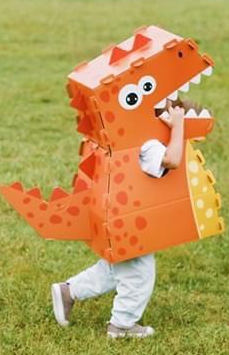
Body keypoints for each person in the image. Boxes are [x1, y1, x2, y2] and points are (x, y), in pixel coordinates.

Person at [51, 106, 186, 339]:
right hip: (130, 220)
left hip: (112, 213)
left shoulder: (118, 133)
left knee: (114, 268)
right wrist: (179, 126)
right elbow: (172, 160)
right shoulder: (148, 142)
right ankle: (122, 325)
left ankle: (68, 291)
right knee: (140, 273)